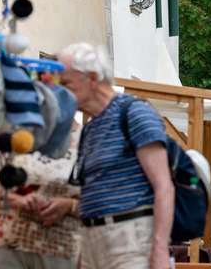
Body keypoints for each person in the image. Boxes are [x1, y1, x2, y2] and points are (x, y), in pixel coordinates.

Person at [58, 42, 173, 269]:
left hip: (130, 239)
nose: (62, 92)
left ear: (92, 77)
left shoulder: (134, 113)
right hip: (93, 239)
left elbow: (164, 187)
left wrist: (159, 252)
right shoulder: (90, 129)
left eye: (67, 83)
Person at [0, 143, 81, 269]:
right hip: (5, 245)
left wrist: (69, 205)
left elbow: (104, 203)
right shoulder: (18, 133)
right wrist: (17, 200)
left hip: (60, 250)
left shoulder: (87, 140)